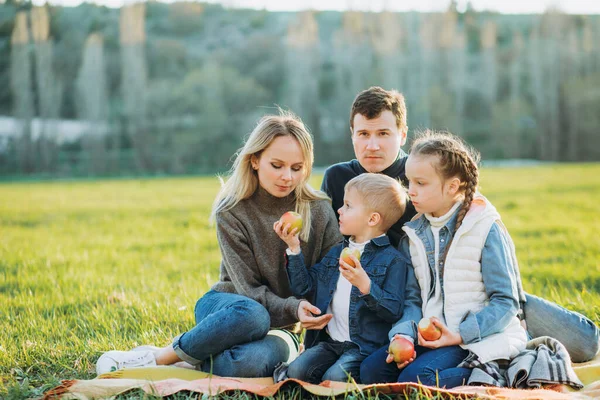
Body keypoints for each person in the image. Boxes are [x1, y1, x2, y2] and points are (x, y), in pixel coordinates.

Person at [321, 86, 599, 363]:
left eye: (383, 133)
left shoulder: (420, 171)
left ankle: (511, 323)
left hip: (459, 291)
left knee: (584, 344)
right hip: (398, 299)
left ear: (402, 133)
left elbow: (471, 216)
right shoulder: (337, 178)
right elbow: (329, 249)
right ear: (352, 135)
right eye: (363, 134)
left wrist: (496, 304)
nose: (372, 145)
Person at [96, 111, 343, 377]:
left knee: (250, 363)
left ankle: (193, 358)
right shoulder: (232, 211)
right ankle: (159, 357)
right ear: (255, 160)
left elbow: (331, 280)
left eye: (297, 168)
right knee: (255, 315)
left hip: (284, 328)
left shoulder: (318, 211)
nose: (287, 177)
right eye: (277, 165)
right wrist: (293, 306)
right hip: (231, 308)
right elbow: (247, 290)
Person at [361, 131, 528, 387]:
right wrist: (403, 335)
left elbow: (506, 302)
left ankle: (497, 374)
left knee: (417, 378)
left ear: (452, 186)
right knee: (372, 371)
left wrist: (460, 334)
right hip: (430, 335)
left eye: (421, 183)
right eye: (409, 182)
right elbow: (413, 299)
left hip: (478, 337)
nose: (410, 191)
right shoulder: (413, 235)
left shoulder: (485, 227)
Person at [273, 173, 410, 383]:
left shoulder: (393, 261)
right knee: (297, 372)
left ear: (372, 219)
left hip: (364, 347)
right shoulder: (337, 252)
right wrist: (293, 247)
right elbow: (304, 288)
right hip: (330, 342)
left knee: (335, 377)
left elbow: (394, 310)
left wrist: (366, 286)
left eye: (348, 206)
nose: (339, 210)